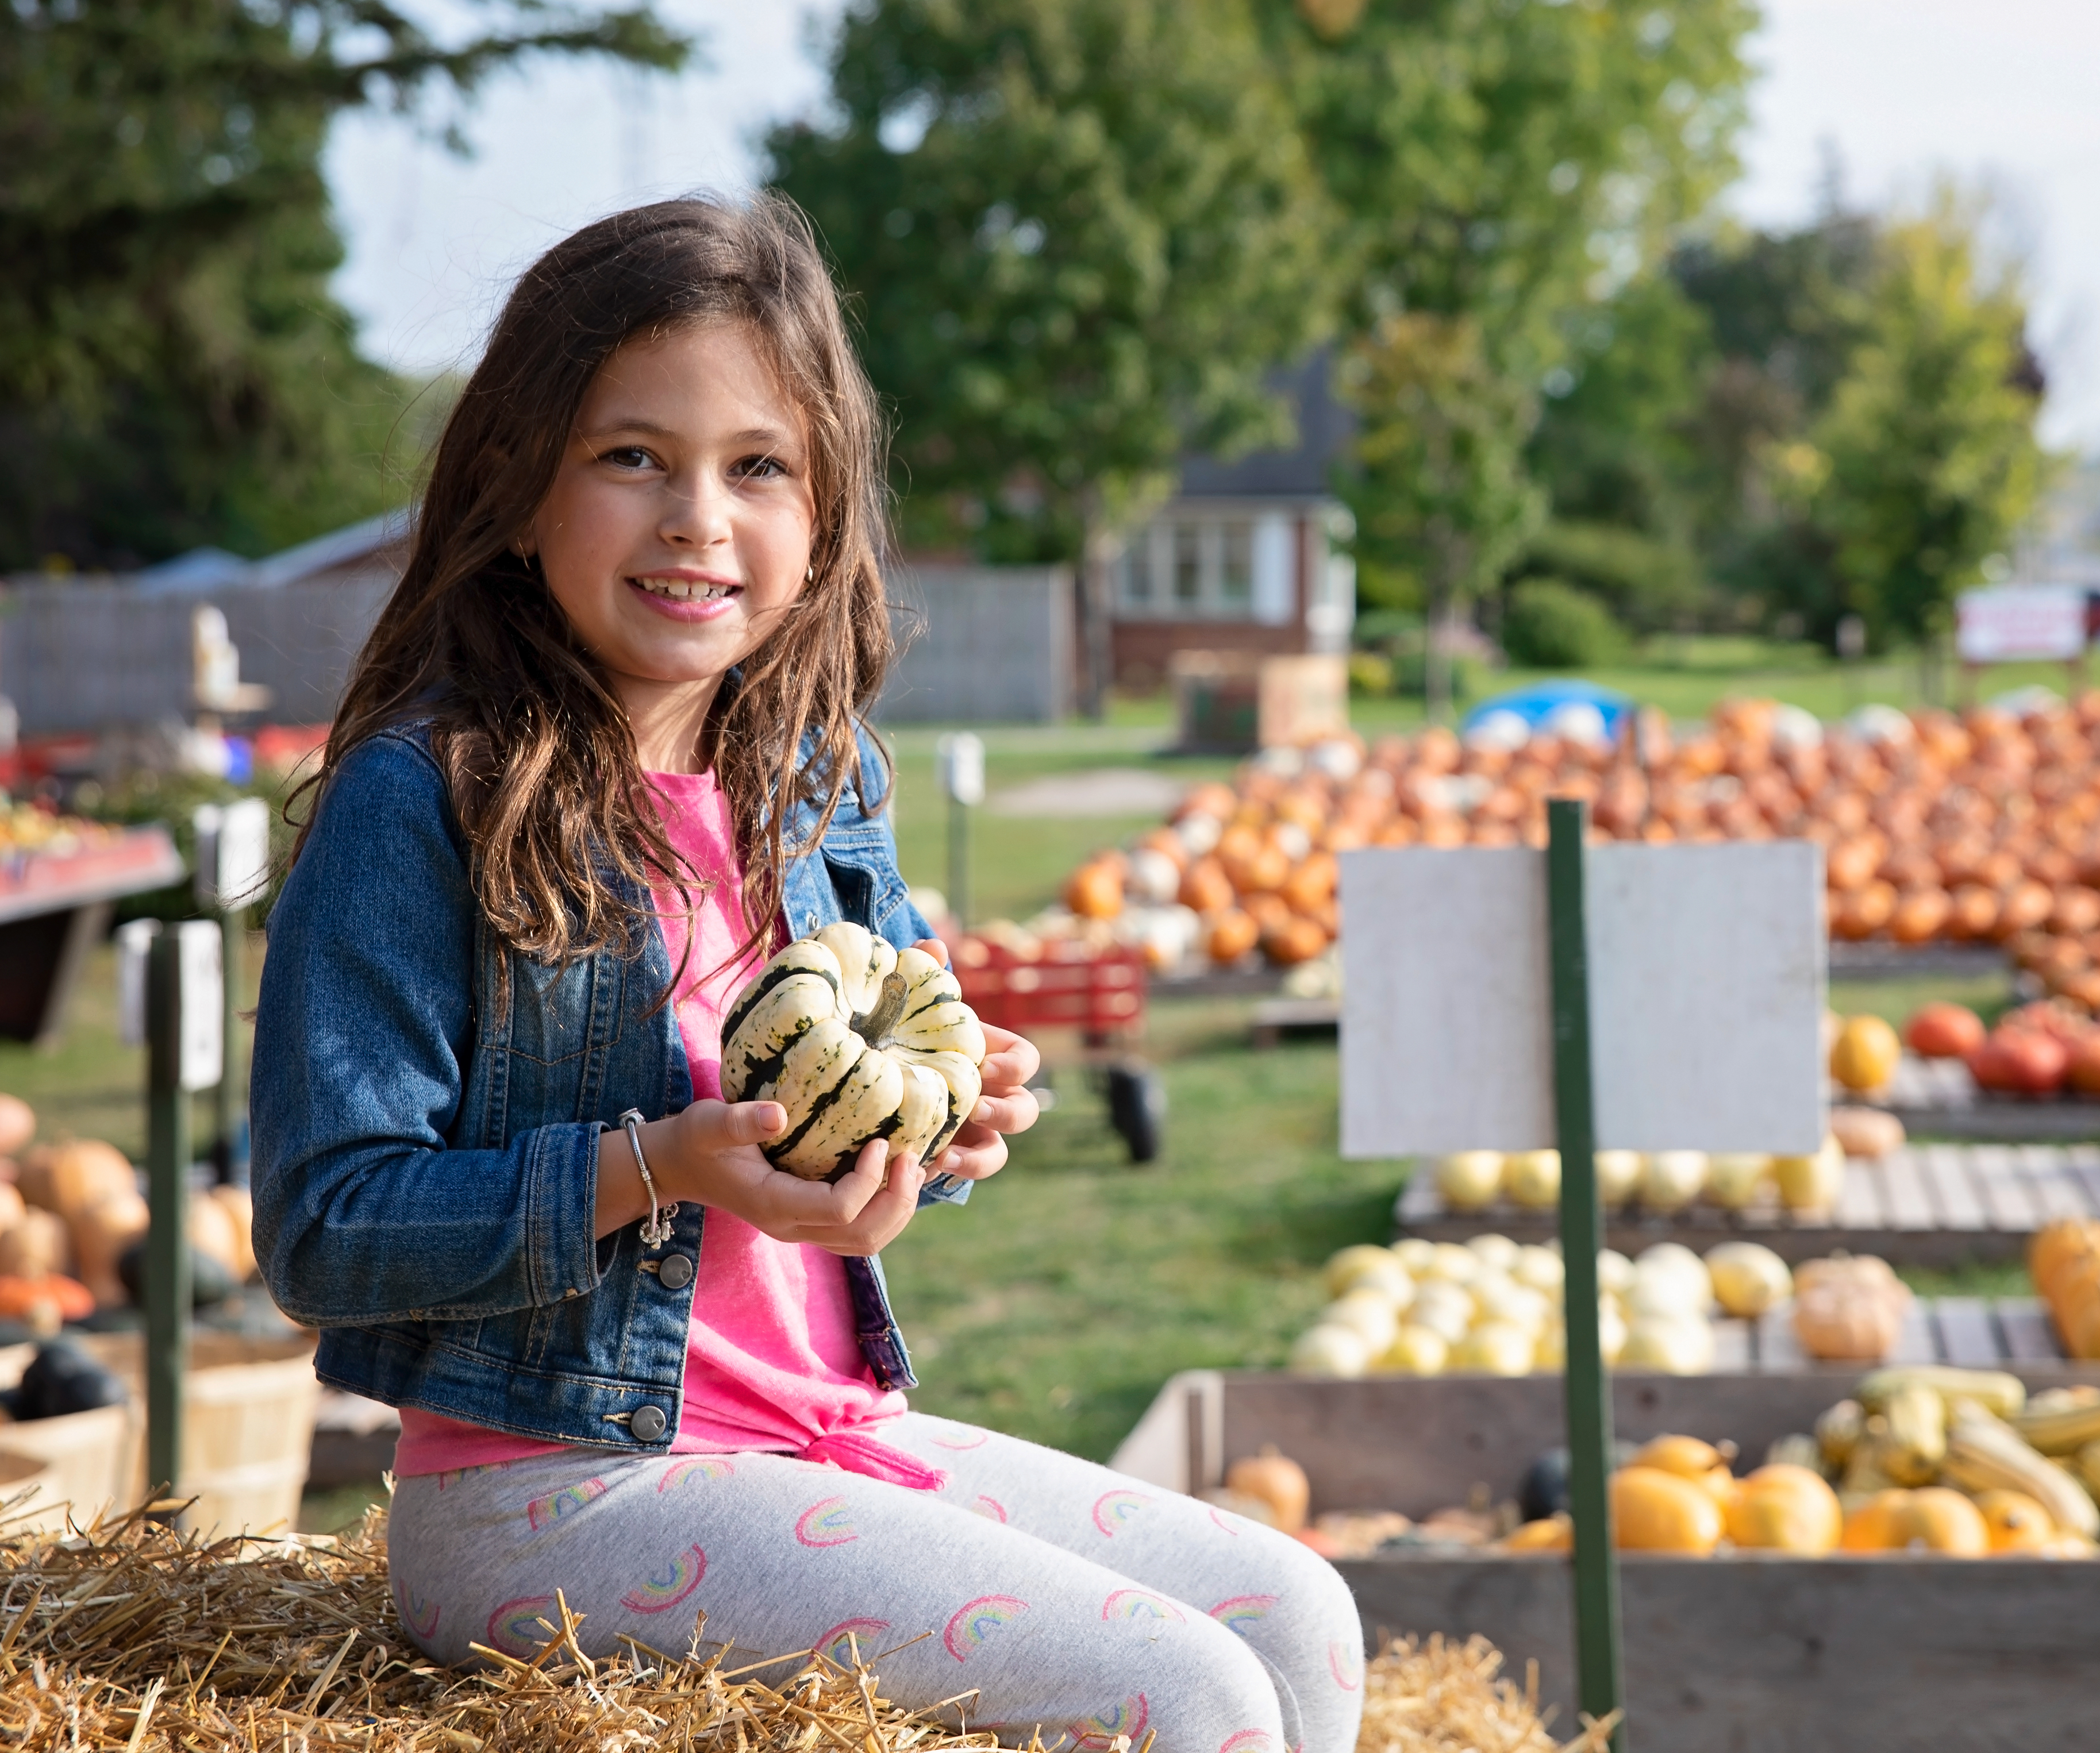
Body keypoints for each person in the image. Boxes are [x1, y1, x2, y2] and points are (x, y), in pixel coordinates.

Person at [250, 195, 1362, 1753]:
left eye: (757, 466)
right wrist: (655, 1167)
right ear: (517, 490)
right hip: (553, 1488)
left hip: (821, 1439)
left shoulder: (818, 790)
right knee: (1185, 1699)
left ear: (824, 514)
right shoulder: (424, 798)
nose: (699, 516)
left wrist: (949, 1132)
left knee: (1296, 1619)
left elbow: (853, 1152)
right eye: (633, 456)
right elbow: (326, 1230)